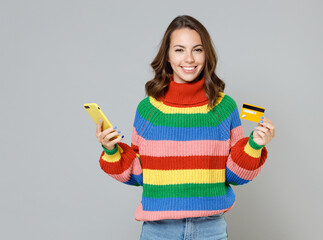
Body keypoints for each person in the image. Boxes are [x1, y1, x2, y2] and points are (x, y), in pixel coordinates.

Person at [95, 15, 275, 240]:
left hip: (210, 229)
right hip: (158, 230)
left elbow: (234, 175)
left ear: (206, 55)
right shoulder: (148, 109)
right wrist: (111, 150)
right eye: (179, 50)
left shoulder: (224, 107)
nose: (189, 58)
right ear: (167, 57)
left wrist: (255, 145)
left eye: (197, 50)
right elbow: (140, 173)